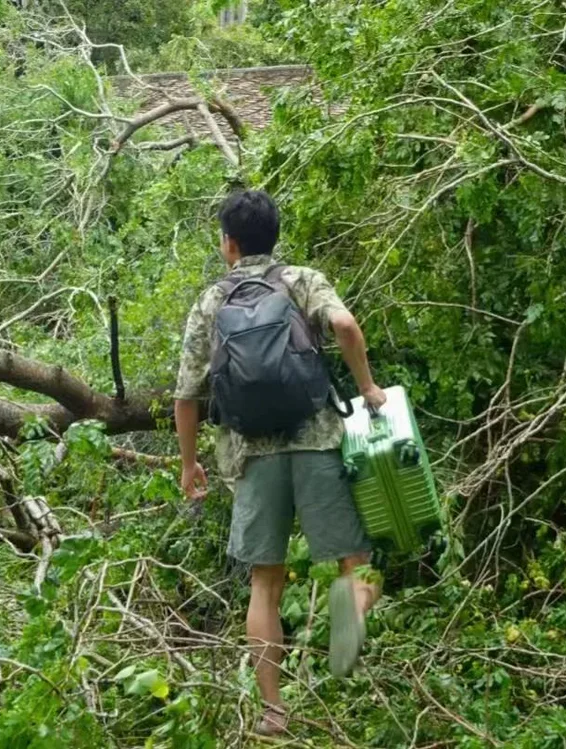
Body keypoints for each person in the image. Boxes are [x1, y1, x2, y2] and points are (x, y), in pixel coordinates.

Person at [173, 189, 387, 736]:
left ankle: (274, 713)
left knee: (265, 585)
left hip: (251, 453)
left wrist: (190, 463)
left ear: (228, 243)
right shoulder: (301, 280)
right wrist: (367, 389)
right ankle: (345, 647)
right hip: (315, 441)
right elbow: (345, 327)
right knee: (355, 565)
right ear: (275, 235)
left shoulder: (211, 302)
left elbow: (187, 393)